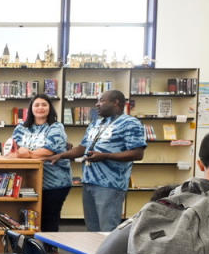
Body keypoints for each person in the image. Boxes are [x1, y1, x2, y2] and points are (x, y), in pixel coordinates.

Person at [46, 90, 146, 232]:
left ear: (116, 102)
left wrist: (105, 156)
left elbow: (138, 153)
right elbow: (83, 148)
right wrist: (60, 155)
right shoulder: (96, 124)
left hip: (110, 184)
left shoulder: (130, 123)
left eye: (101, 101)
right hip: (89, 182)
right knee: (92, 229)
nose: (97, 104)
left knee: (107, 229)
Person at [7, 94, 70, 237]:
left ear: (50, 108)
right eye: (36, 105)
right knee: (27, 218)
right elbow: (13, 151)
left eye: (44, 104)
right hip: (28, 181)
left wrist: (26, 154)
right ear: (31, 109)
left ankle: (50, 251)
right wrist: (32, 154)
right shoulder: (21, 128)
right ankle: (31, 250)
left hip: (55, 182)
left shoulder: (56, 127)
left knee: (49, 218)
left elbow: (49, 151)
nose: (40, 108)